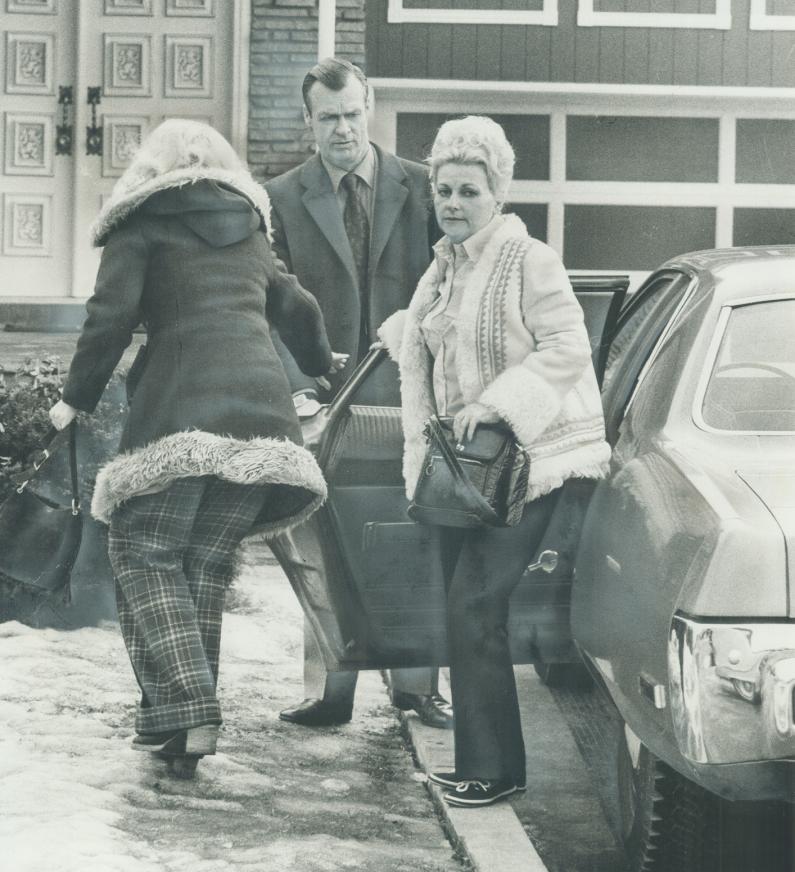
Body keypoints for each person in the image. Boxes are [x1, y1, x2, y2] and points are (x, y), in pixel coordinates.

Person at [48, 119, 342, 773]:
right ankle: (172, 730)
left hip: (182, 408)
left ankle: (192, 710)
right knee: (201, 567)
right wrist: (321, 365)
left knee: (142, 552)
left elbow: (110, 316)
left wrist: (75, 398)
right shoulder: (250, 229)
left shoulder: (141, 223)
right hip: (262, 412)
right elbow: (297, 307)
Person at [378, 116, 611, 807]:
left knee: (474, 604)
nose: (452, 202)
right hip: (466, 473)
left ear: (496, 193)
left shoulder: (526, 258)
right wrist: (406, 337)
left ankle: (496, 770)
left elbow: (569, 346)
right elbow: (439, 350)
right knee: (465, 613)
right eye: (443, 190)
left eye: (468, 191)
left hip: (532, 462)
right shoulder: (441, 265)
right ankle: (484, 762)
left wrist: (502, 403)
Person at [266, 57, 452, 729]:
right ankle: (330, 692)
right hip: (326, 400)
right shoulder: (282, 198)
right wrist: (298, 390)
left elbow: (453, 284)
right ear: (308, 120)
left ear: (369, 109)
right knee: (326, 543)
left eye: (351, 115)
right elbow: (270, 302)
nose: (341, 130)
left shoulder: (424, 187)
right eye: (327, 118)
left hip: (412, 394)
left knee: (418, 531)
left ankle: (415, 686)